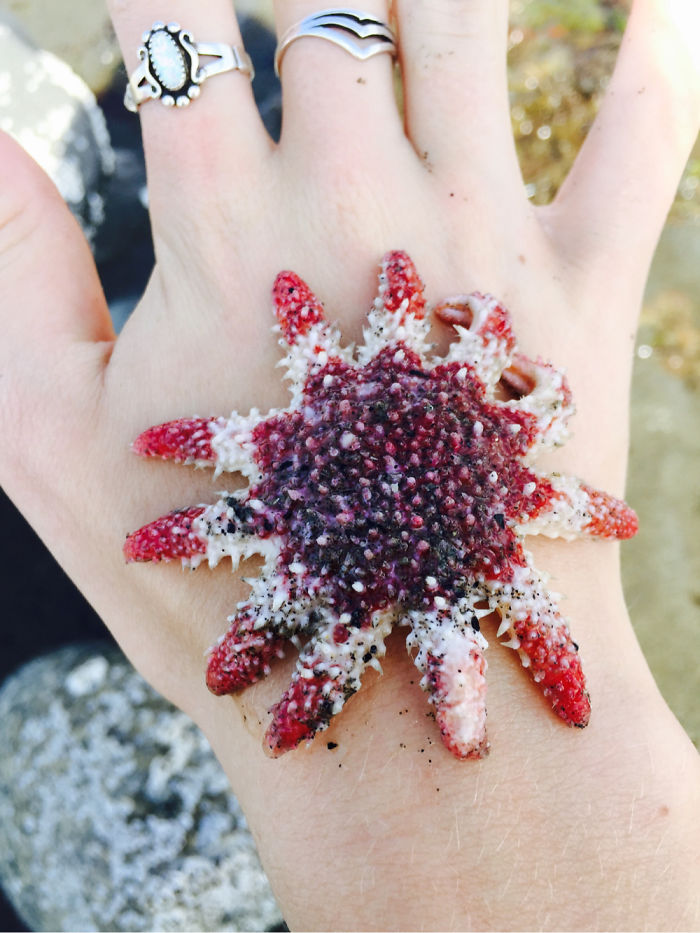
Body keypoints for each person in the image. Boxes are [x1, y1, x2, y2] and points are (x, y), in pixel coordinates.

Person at [1, 1, 698, 929]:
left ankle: (114, 194)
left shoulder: (347, 467)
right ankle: (126, 200)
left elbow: (224, 500)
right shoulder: (447, 447)